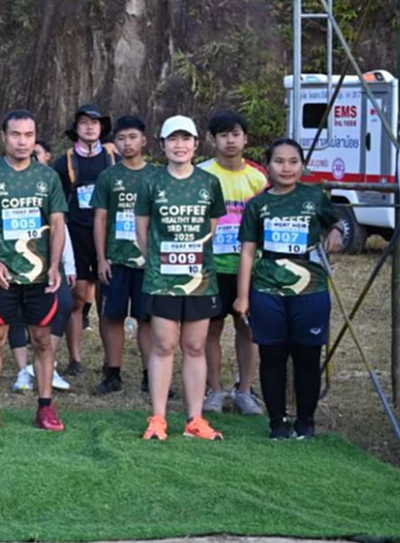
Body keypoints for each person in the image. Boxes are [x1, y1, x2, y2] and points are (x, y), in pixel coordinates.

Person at [236, 138, 344, 439]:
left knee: (307, 357)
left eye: (293, 161)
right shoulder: (257, 205)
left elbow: (337, 223)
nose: (286, 168)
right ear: (267, 165)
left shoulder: (314, 196)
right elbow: (247, 252)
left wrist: (336, 231)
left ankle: (306, 421)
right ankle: (278, 422)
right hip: (268, 290)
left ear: (302, 165)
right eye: (279, 161)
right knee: (272, 357)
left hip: (310, 291)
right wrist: (243, 297)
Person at [0, 110, 68, 432]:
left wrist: (54, 265)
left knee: (42, 340)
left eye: (29, 135)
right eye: (15, 134)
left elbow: (57, 223)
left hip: (40, 276)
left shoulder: (48, 177)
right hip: (2, 275)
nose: (22, 141)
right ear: (4, 137)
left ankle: (45, 407)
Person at [135, 116, 227, 441]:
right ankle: (158, 418)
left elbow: (211, 228)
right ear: (162, 145)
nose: (180, 145)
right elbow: (142, 231)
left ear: (196, 144)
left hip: (200, 277)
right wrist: (159, 262)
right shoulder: (150, 182)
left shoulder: (209, 183)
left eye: (186, 139)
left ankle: (195, 419)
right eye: (172, 139)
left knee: (195, 346)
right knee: (163, 344)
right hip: (162, 278)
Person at [200, 110, 269, 416]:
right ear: (211, 139)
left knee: (248, 329)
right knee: (210, 330)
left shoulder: (258, 177)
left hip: (248, 268)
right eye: (223, 135)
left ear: (245, 139)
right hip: (211, 267)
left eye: (236, 134)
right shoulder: (201, 174)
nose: (230, 140)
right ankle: (214, 390)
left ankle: (244, 391)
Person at [90, 115, 154, 396]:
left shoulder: (157, 176)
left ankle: (150, 375)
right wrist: (101, 258)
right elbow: (100, 219)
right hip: (116, 259)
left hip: (148, 263)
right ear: (114, 143)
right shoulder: (108, 177)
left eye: (133, 137)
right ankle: (113, 374)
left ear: (144, 140)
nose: (127, 143)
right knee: (113, 317)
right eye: (121, 138)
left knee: (147, 319)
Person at [51, 105, 116, 380]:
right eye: (84, 122)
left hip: (108, 235)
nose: (90, 127)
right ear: (75, 128)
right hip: (75, 234)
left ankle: (111, 361)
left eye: (95, 122)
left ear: (102, 128)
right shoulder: (63, 162)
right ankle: (75, 358)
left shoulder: (114, 159)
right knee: (77, 299)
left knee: (107, 301)